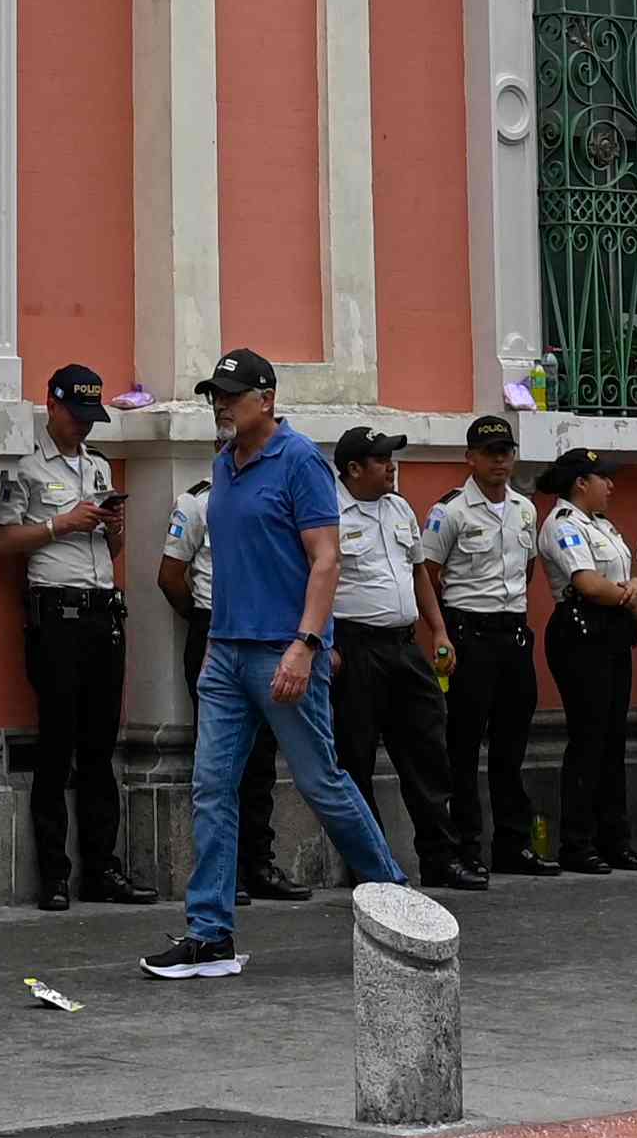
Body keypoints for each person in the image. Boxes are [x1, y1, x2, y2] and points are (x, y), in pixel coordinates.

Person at [137, 353, 405, 979]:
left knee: (321, 783)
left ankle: (395, 903)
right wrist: (215, 640)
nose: (220, 405)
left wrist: (306, 645)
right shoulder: (222, 465)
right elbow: (228, 565)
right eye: (214, 395)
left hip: (284, 651)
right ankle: (209, 935)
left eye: (231, 395)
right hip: (226, 653)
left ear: (267, 399)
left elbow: (326, 560)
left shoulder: (301, 460)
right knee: (211, 788)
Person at [0, 366, 133, 909]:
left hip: (102, 611)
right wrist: (61, 524)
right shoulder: (25, 467)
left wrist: (113, 529)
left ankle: (102, 868)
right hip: (57, 615)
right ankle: (53, 874)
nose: (82, 427)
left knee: (100, 747)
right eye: (75, 415)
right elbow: (1, 541)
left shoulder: (98, 465)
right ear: (51, 404)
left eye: (90, 418)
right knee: (56, 743)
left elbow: (111, 553)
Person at [322, 426, 461, 886]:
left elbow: (419, 573)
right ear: (353, 469)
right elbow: (310, 580)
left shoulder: (399, 507)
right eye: (381, 460)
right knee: (355, 758)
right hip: (353, 647)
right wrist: (324, 643)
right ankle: (371, 867)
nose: (391, 467)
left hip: (403, 645)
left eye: (391, 458)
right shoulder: (327, 512)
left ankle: (440, 858)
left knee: (427, 752)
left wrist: (437, 630)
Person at [157, 462, 292, 904]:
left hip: (265, 632)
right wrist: (203, 620)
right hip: (215, 631)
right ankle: (224, 872)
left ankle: (259, 862)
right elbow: (170, 576)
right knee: (218, 762)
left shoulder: (274, 499)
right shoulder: (197, 502)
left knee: (262, 756)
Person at [433, 415, 550, 874]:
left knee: (511, 745)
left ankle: (512, 844)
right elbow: (429, 574)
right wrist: (444, 633)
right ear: (471, 458)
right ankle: (466, 845)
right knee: (463, 747)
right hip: (469, 633)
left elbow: (527, 569)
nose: (499, 461)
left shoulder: (525, 509)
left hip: (513, 634)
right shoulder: (451, 511)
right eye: (490, 453)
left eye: (506, 452)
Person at [538, 452, 637, 870]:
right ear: (581, 482)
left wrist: (632, 589)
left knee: (614, 738)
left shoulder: (602, 525)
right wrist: (628, 596)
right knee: (589, 738)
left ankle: (614, 838)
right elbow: (587, 583)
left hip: (612, 629)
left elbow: (626, 575)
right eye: (604, 478)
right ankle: (578, 843)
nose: (611, 486)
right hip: (581, 632)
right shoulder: (563, 524)